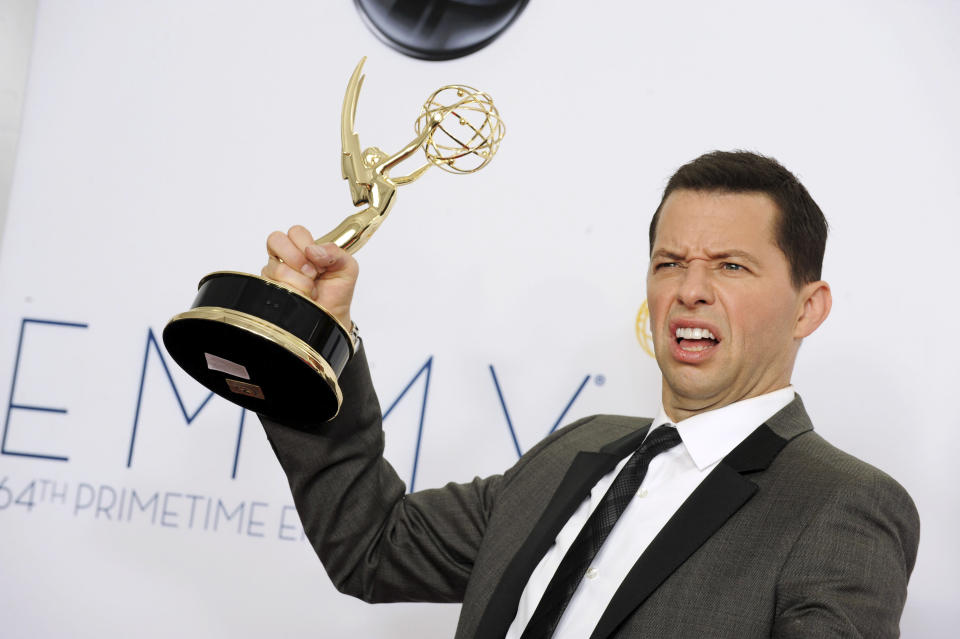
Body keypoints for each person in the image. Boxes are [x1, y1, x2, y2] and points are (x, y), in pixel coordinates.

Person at [258, 151, 919, 638]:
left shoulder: (841, 505)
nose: (690, 289)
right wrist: (310, 340)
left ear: (808, 309)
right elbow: (374, 545)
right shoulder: (579, 447)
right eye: (669, 263)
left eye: (731, 266)